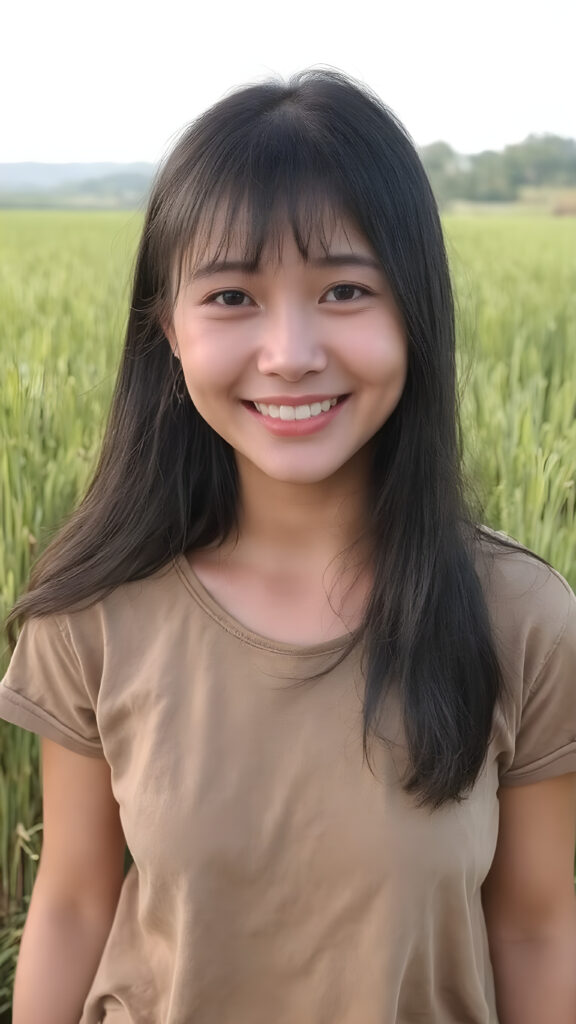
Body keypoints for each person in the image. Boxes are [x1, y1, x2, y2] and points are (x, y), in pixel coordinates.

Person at [1, 69, 575, 1024]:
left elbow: (537, 928)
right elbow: (71, 904)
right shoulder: (92, 613)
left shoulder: (521, 617)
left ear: (416, 313)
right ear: (168, 331)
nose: (290, 352)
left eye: (345, 288)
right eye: (231, 297)